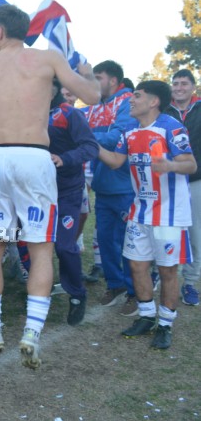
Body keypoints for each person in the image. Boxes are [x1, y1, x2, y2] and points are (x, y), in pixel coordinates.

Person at [0, 4, 100, 369]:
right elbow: (92, 96)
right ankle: (32, 331)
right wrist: (85, 74)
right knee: (41, 248)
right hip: (34, 157)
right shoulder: (48, 59)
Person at [98, 80, 196, 349]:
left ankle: (165, 324)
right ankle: (145, 316)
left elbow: (190, 164)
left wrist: (169, 164)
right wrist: (90, 145)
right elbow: (117, 161)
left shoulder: (171, 127)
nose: (131, 100)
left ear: (153, 101)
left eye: (137, 96)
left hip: (169, 214)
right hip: (140, 210)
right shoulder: (129, 131)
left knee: (167, 271)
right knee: (137, 265)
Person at [86, 61, 137, 315]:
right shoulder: (95, 106)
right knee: (106, 240)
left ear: (114, 80)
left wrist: (83, 137)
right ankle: (115, 285)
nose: (94, 82)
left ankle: (135, 291)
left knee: (130, 242)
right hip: (103, 186)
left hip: (126, 185)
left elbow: (119, 138)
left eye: (99, 77)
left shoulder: (127, 101)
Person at [47, 79, 99, 325]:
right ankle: (39, 293)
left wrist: (64, 158)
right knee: (37, 245)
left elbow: (90, 147)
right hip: (36, 192)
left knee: (65, 246)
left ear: (54, 88)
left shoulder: (69, 113)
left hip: (67, 191)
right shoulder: (27, 110)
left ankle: (77, 295)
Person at [164, 69, 201, 306]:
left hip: (196, 180)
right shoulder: (163, 111)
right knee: (165, 231)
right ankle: (160, 274)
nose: (179, 87)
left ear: (193, 87)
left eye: (184, 83)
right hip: (167, 181)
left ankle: (190, 282)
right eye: (175, 83)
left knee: (195, 234)